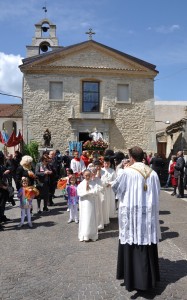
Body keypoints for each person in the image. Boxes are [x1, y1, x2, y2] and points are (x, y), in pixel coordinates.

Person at [112, 146, 160, 292]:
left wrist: (120, 170)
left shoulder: (127, 172)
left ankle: (133, 279)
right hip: (147, 217)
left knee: (132, 241)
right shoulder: (153, 173)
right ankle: (149, 278)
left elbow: (116, 189)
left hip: (132, 218)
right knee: (146, 243)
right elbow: (157, 194)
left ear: (131, 157)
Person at [77, 169, 103, 242]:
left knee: (91, 217)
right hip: (84, 204)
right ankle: (85, 235)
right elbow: (79, 193)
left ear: (91, 175)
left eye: (89, 175)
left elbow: (97, 190)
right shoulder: (81, 184)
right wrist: (86, 192)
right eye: (86, 175)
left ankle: (92, 234)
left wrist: (90, 191)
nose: (87, 177)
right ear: (83, 175)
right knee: (85, 218)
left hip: (91, 203)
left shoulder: (93, 183)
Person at [101, 156, 116, 224]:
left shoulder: (112, 171)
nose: (106, 165)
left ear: (110, 164)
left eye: (108, 163)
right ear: (103, 163)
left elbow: (115, 180)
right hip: (103, 189)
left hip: (110, 189)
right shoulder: (101, 170)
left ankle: (109, 215)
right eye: (105, 163)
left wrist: (110, 184)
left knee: (110, 202)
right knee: (104, 202)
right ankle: (104, 215)